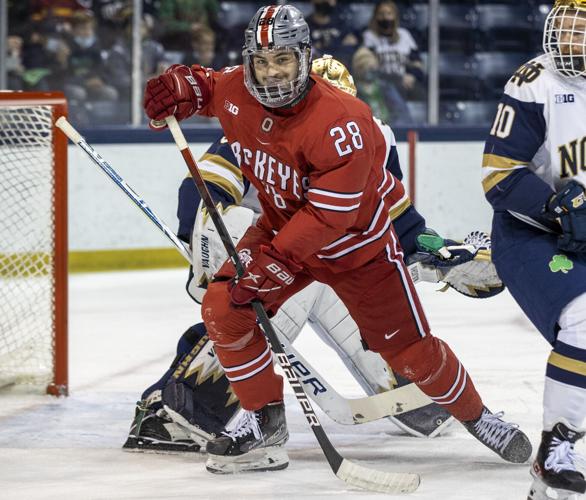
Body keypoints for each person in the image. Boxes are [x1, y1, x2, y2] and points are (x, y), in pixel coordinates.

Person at [143, 4, 531, 474]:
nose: (270, 73)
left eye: (282, 59)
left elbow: (329, 217)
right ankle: (264, 427)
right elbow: (205, 86)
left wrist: (273, 265)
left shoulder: (345, 122)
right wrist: (180, 88)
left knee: (411, 354)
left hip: (357, 253)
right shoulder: (238, 91)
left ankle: (479, 417)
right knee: (224, 309)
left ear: (304, 57)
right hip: (281, 230)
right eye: (261, 61)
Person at [483, 1, 586, 498]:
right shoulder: (534, 82)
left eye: (584, 29)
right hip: (533, 233)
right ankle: (556, 451)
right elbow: (499, 178)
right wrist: (557, 207)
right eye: (568, 29)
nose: (572, 39)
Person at [362, 0, 426, 102]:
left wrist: (412, 75)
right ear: (375, 16)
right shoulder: (369, 36)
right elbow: (368, 68)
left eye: (389, 14)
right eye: (381, 14)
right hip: (380, 84)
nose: (385, 18)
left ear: (395, 16)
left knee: (421, 95)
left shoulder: (405, 35)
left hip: (405, 83)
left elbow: (417, 62)